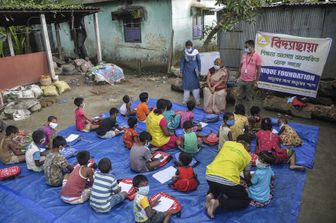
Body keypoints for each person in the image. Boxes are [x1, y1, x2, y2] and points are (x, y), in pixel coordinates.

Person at [205, 134, 252, 219]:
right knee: (244, 200)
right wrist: (249, 184)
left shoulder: (227, 144)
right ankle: (217, 203)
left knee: (218, 184)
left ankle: (211, 195)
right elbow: (247, 175)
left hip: (210, 174)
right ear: (247, 145)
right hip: (228, 180)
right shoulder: (248, 157)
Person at [236, 40, 262, 110]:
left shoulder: (257, 56)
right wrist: (237, 77)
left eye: (246, 47)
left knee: (249, 98)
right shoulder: (244, 55)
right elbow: (240, 66)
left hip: (250, 81)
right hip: (241, 79)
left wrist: (256, 81)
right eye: (245, 47)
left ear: (252, 46)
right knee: (238, 96)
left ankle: (248, 114)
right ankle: (237, 112)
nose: (245, 48)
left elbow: (259, 70)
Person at [180, 40, 201, 105]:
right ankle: (185, 100)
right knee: (186, 86)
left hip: (195, 72)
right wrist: (181, 71)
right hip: (186, 72)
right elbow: (182, 63)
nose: (188, 48)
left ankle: (197, 101)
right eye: (187, 47)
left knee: (195, 86)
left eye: (189, 46)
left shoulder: (196, 52)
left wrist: (199, 71)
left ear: (191, 46)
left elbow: (199, 62)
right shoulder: (184, 52)